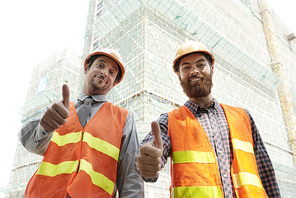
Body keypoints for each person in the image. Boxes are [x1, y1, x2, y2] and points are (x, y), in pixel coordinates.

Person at [135, 39, 281, 198]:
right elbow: (148, 153)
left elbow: (266, 173)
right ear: (179, 76)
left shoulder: (243, 117)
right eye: (186, 67)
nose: (194, 71)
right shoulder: (170, 121)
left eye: (200, 64)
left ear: (212, 69)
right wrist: (146, 162)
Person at [19, 48, 144, 198]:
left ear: (115, 83)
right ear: (87, 68)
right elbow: (31, 145)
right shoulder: (58, 110)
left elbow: (131, 177)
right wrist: (44, 128)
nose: (105, 72)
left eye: (112, 72)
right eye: (100, 65)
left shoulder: (124, 119)